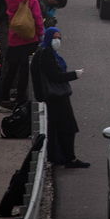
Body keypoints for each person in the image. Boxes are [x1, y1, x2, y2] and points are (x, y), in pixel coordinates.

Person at [31, 27, 88, 167]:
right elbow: (54, 76)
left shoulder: (46, 53)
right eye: (55, 38)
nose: (57, 41)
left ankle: (61, 157)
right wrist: (74, 75)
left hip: (54, 96)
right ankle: (69, 158)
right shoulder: (46, 55)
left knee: (59, 128)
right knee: (67, 127)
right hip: (56, 96)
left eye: (59, 38)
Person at [0, 0, 45, 110]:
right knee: (25, 71)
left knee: (11, 70)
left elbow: (8, 15)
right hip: (29, 40)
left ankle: (4, 98)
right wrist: (41, 34)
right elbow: (37, 18)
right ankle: (20, 98)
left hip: (14, 39)